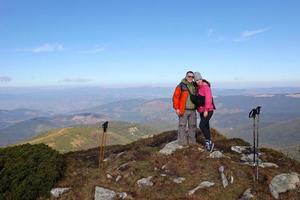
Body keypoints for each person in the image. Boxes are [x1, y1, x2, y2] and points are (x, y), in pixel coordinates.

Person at [172, 71, 197, 146]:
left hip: (193, 110)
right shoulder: (181, 85)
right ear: (186, 77)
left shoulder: (194, 86)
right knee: (182, 126)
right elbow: (175, 97)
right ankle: (182, 143)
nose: (190, 78)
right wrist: (177, 108)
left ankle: (192, 143)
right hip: (184, 110)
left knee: (192, 126)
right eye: (189, 76)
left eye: (192, 77)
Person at [194, 72, 216, 152]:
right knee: (206, 126)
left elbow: (208, 99)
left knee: (202, 125)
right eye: (196, 80)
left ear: (201, 78)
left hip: (208, 110)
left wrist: (206, 110)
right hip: (201, 110)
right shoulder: (198, 87)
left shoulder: (205, 87)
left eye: (199, 79)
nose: (198, 81)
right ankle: (209, 142)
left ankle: (209, 142)